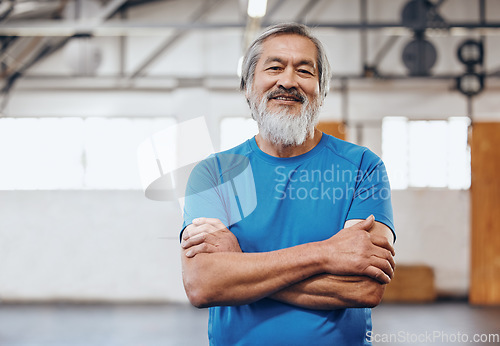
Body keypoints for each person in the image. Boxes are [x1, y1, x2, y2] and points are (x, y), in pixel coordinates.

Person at [180, 23, 395, 346]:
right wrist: (327, 254)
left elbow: (365, 287)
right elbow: (203, 284)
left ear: (321, 90)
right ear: (248, 86)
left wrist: (240, 269)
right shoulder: (213, 174)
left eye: (305, 71)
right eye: (274, 67)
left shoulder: (363, 168)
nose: (288, 81)